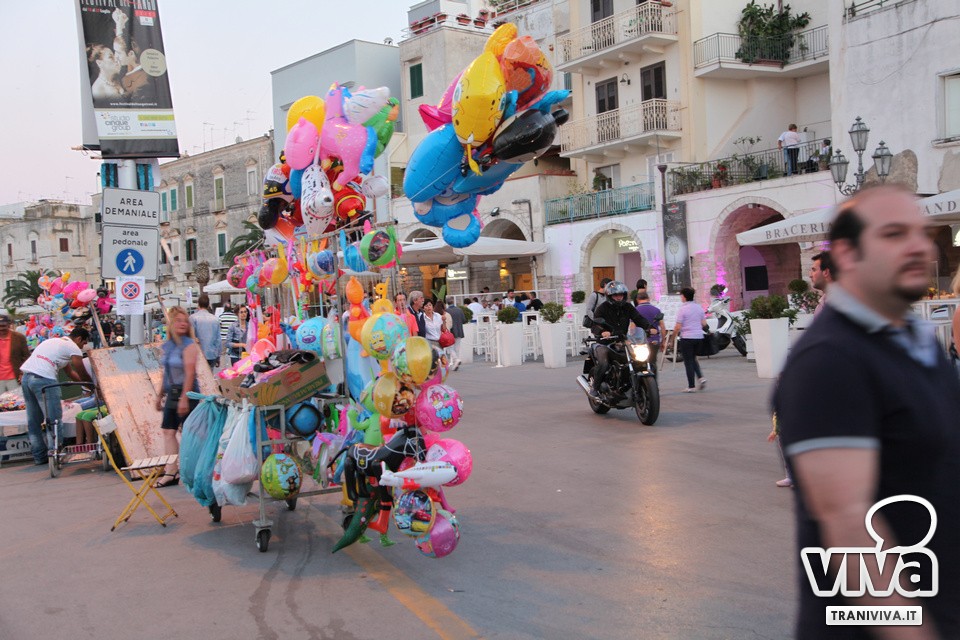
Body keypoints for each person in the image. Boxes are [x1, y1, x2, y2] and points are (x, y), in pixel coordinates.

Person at [774, 185, 960, 639]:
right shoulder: (829, 360)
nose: (918, 246)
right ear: (847, 253)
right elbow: (849, 526)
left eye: (920, 232)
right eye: (894, 234)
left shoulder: (913, 340)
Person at [20, 328, 91, 465]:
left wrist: (85, 385)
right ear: (78, 339)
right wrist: (92, 386)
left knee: (34, 420)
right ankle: (55, 454)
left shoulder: (54, 343)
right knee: (54, 420)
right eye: (83, 343)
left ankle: (39, 457)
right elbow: (80, 370)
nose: (82, 347)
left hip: (26, 378)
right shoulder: (73, 347)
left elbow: (70, 373)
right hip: (44, 379)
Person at [154, 307, 201, 488]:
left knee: (190, 434)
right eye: (178, 321)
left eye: (185, 321)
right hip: (172, 392)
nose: (182, 324)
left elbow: (190, 373)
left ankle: (194, 471)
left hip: (187, 392)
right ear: (171, 324)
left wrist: (184, 398)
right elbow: (165, 372)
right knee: (168, 431)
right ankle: (171, 471)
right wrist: (159, 395)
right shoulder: (168, 345)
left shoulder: (189, 345)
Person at [587, 281, 655, 400]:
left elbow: (638, 318)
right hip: (604, 342)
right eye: (615, 295)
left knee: (638, 359)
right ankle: (595, 388)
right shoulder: (602, 308)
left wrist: (649, 327)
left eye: (621, 295)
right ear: (609, 296)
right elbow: (595, 325)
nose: (619, 297)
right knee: (604, 363)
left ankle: (630, 386)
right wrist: (602, 331)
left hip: (622, 341)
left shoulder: (628, 307)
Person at [672, 287, 708, 392]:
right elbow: (704, 324)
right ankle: (701, 378)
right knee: (693, 358)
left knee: (688, 362)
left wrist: (672, 338)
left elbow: (677, 327)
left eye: (681, 296)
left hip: (687, 338)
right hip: (699, 337)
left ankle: (691, 386)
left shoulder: (683, 309)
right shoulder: (699, 307)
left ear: (684, 296)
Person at [634, 292, 665, 371]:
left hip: (640, 341)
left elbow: (632, 327)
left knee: (639, 362)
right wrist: (663, 341)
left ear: (637, 300)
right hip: (654, 340)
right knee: (652, 361)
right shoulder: (656, 310)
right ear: (648, 299)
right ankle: (653, 376)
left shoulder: (635, 310)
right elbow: (662, 326)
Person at [190, 293, 222, 370]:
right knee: (210, 375)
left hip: (198, 354)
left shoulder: (193, 318)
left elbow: (190, 337)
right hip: (212, 354)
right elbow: (218, 340)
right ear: (208, 305)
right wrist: (218, 356)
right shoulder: (215, 319)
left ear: (198, 305)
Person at [0, 314, 30, 393]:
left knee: (15, 399)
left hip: (14, 377)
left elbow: (26, 356)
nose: (1, 328)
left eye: (3, 326)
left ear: (9, 325)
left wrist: (22, 373)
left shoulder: (19, 337)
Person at [810, 250, 834, 316]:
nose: (810, 275)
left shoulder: (840, 303)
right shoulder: (823, 301)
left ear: (825, 272)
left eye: (814, 270)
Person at [446, 297, 466, 370]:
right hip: (459, 330)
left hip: (451, 331)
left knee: (450, 347)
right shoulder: (459, 310)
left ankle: (455, 360)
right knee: (457, 348)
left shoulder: (446, 311)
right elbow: (464, 320)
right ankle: (456, 363)